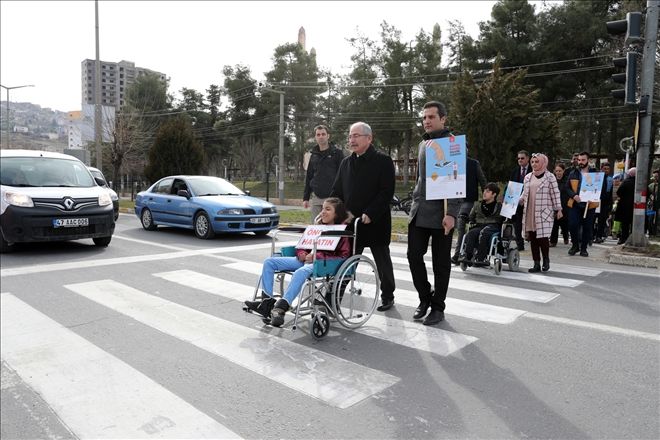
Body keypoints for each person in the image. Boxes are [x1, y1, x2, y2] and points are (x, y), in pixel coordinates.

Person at [243, 197, 351, 327]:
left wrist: (317, 256)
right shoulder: (316, 228)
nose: (322, 212)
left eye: (328, 209)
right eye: (322, 208)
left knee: (301, 271)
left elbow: (343, 256)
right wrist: (302, 254)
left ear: (337, 214)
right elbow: (301, 245)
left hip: (321, 264)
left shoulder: (342, 233)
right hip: (304, 260)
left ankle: (281, 307)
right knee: (269, 262)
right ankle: (266, 303)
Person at [330, 122, 396, 312]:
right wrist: (332, 211)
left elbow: (386, 192)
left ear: (369, 138)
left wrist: (371, 212)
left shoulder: (383, 161)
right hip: (352, 223)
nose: (352, 140)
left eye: (356, 136)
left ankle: (388, 295)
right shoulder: (346, 163)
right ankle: (335, 297)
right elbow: (337, 192)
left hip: (375, 221)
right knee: (346, 262)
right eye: (350, 136)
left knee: (382, 261)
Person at [406, 101, 462, 326]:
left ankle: (438, 307)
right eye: (424, 118)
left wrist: (452, 214)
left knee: (441, 263)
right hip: (419, 211)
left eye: (431, 117)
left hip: (442, 213)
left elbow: (457, 181)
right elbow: (421, 178)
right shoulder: (423, 144)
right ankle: (425, 297)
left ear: (443, 119)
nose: (426, 121)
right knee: (413, 256)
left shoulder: (453, 144)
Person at [519, 153, 563, 272]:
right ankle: (536, 263)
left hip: (544, 211)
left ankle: (546, 260)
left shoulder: (550, 177)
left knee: (543, 238)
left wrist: (558, 209)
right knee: (533, 238)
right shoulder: (528, 177)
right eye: (532, 162)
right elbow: (525, 192)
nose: (534, 164)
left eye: (537, 161)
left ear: (543, 162)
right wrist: (518, 200)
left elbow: (555, 193)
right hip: (530, 210)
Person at [451, 148, 487, 264]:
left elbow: (482, 181)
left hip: (468, 201)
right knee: (460, 228)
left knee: (461, 228)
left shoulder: (473, 163)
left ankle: (458, 255)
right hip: (455, 200)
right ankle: (462, 253)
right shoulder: (453, 164)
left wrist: (486, 198)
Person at [303, 125, 345, 222]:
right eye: (318, 135)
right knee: (316, 226)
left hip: (332, 197)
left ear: (328, 136)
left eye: (323, 134)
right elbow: (309, 176)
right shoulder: (313, 155)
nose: (321, 136)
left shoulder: (337, 153)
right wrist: (305, 198)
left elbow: (343, 175)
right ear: (315, 137)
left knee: (331, 227)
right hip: (317, 197)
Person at [459, 182, 502, 266]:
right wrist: (465, 217)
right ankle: (468, 256)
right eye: (484, 191)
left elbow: (503, 218)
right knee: (471, 233)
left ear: (494, 194)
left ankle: (481, 258)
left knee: (484, 232)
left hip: (493, 226)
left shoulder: (499, 206)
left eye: (488, 191)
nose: (484, 193)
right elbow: (471, 217)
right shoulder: (477, 205)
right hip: (479, 225)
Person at [565, 151, 598, 257]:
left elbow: (598, 188)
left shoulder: (594, 173)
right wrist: (574, 195)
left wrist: (593, 197)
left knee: (587, 227)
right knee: (573, 225)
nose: (580, 162)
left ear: (588, 160)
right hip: (575, 203)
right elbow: (567, 187)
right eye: (579, 160)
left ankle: (584, 248)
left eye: (583, 160)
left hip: (589, 205)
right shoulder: (573, 172)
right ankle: (575, 245)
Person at [510, 150, 531, 251]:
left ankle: (532, 239)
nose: (520, 160)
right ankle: (520, 244)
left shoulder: (533, 170)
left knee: (529, 223)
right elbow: (510, 186)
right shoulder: (515, 171)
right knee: (517, 223)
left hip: (529, 201)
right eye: (518, 158)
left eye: (522, 158)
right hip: (516, 202)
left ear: (528, 158)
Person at [549, 162, 569, 247]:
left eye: (560, 171)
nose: (558, 173)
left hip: (565, 205)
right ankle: (553, 241)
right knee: (555, 223)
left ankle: (566, 236)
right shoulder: (552, 180)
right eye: (556, 171)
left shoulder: (567, 180)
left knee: (564, 223)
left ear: (564, 171)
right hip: (555, 205)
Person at [615, 167, 636, 245]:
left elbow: (619, 192)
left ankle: (624, 238)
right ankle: (634, 238)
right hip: (636, 207)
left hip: (625, 206)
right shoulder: (640, 183)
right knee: (634, 223)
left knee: (625, 224)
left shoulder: (626, 182)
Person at [593, 162, 614, 243]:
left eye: (608, 169)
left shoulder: (610, 179)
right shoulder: (597, 178)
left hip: (605, 203)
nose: (606, 170)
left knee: (602, 221)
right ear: (601, 169)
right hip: (596, 201)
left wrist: (610, 204)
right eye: (604, 169)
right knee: (593, 219)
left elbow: (610, 192)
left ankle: (599, 236)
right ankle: (591, 236)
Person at [648, 169, 660, 236]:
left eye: (657, 176)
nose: (655, 178)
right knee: (650, 218)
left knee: (658, 219)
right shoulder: (651, 186)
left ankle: (657, 233)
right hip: (651, 205)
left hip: (658, 205)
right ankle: (651, 232)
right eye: (654, 177)